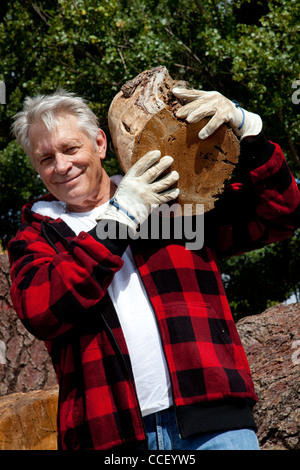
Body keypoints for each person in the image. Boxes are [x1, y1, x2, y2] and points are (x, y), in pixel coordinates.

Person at [8, 86, 300, 451]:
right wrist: (120, 220)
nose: (62, 166)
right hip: (108, 436)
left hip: (213, 420)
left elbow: (278, 215)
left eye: (70, 149)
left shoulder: (173, 200)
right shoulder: (35, 236)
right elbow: (43, 311)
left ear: (99, 144)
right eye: (46, 158)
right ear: (36, 167)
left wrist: (247, 128)